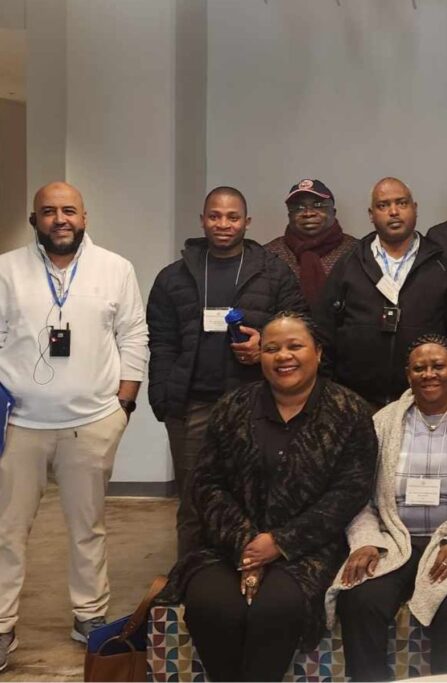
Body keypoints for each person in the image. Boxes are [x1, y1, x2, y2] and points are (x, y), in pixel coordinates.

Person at [155, 312, 378, 682]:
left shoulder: (350, 411)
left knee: (277, 608)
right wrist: (247, 542)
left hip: (308, 549)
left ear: (318, 352)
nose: (283, 356)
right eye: (272, 348)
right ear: (260, 356)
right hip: (228, 546)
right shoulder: (233, 407)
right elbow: (207, 483)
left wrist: (280, 542)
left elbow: (349, 492)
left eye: (295, 346)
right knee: (211, 605)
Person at [0, 182, 148, 667]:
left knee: (89, 527)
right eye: (48, 211)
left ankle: (89, 614)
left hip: (91, 423)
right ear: (34, 220)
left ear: (84, 216)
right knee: (7, 529)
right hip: (18, 425)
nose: (59, 219)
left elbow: (133, 335)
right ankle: (2, 625)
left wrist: (123, 406)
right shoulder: (6, 269)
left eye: (68, 211)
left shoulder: (115, 268)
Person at [327, 334, 447, 681]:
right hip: (396, 541)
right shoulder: (383, 422)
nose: (429, 374)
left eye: (438, 366)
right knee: (359, 600)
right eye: (419, 368)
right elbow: (358, 496)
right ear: (408, 375)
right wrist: (366, 542)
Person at [147, 186, 306, 558]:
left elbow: (300, 327)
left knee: (255, 496)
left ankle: (246, 577)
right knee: (193, 500)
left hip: (257, 404)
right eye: (215, 216)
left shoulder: (273, 272)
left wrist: (263, 344)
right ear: (202, 220)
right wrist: (165, 398)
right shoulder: (173, 277)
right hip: (193, 406)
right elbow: (161, 343)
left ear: (246, 222)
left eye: (232, 217)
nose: (223, 224)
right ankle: (189, 576)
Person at [316, 178, 447, 409]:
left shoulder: (443, 266)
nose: (393, 212)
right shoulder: (349, 263)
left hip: (426, 400)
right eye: (383, 205)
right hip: (355, 401)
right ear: (371, 214)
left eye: (401, 203)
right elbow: (324, 331)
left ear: (415, 208)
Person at [263, 178, 357, 306]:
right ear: (289, 215)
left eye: (318, 205)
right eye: (299, 207)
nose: (308, 213)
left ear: (333, 212)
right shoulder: (269, 254)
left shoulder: (356, 251)